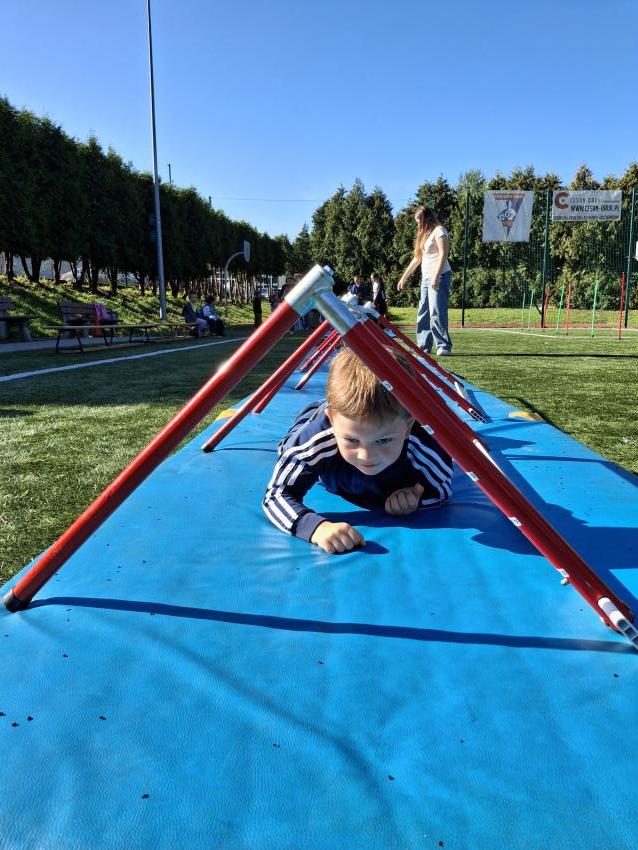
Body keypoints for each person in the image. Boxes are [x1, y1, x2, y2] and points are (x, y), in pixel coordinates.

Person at [263, 347, 452, 554]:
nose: (366, 456)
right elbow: (276, 496)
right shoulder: (315, 440)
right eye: (352, 440)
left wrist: (416, 498)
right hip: (318, 425)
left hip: (354, 438)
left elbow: (441, 488)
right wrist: (316, 528)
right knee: (289, 449)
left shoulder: (421, 445)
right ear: (332, 421)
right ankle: (323, 412)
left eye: (384, 440)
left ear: (408, 427)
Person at [396, 206, 452, 356]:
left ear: (428, 218)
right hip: (426, 278)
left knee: (436, 311)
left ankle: (443, 346)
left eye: (420, 220)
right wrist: (404, 277)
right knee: (423, 311)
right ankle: (423, 346)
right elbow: (417, 258)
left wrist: (436, 276)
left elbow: (443, 254)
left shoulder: (439, 231)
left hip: (440, 276)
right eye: (417, 221)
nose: (418, 224)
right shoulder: (424, 235)